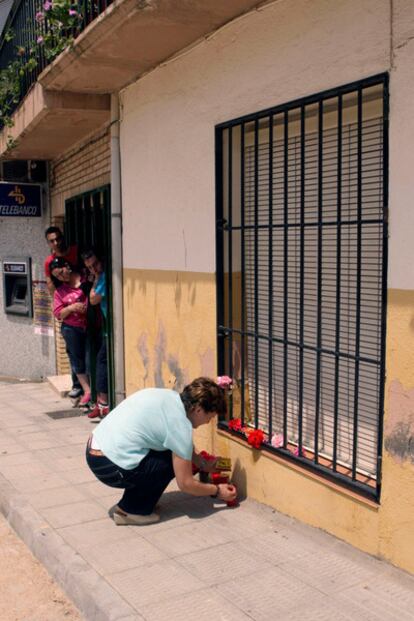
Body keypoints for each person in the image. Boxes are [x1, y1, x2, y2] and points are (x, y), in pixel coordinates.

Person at [85, 377, 237, 525]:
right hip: (108, 466)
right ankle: (130, 511)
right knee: (169, 464)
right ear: (198, 410)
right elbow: (185, 484)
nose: (207, 422)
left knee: (168, 455)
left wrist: (203, 463)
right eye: (209, 417)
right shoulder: (180, 425)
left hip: (95, 448)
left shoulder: (170, 398)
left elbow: (181, 444)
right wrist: (217, 491)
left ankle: (141, 500)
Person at [44, 226, 81, 400]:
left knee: (84, 352)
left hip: (84, 305)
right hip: (68, 312)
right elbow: (50, 284)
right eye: (52, 240)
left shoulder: (74, 251)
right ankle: (78, 385)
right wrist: (61, 302)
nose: (56, 242)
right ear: (48, 243)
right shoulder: (49, 262)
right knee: (73, 352)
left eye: (58, 238)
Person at [50, 257, 92, 408]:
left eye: (61, 272)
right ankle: (87, 391)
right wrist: (72, 308)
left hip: (90, 326)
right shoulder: (60, 291)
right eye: (57, 276)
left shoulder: (86, 278)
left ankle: (97, 391)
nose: (61, 277)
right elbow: (58, 314)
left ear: (67, 266)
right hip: (71, 329)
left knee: (89, 359)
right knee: (77, 360)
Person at [81, 249, 109, 419]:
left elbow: (93, 299)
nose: (94, 269)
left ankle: (103, 403)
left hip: (111, 327)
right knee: (100, 360)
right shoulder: (100, 276)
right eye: (90, 268)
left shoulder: (104, 277)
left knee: (101, 361)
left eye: (95, 264)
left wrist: (96, 278)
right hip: (105, 325)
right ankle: (101, 402)